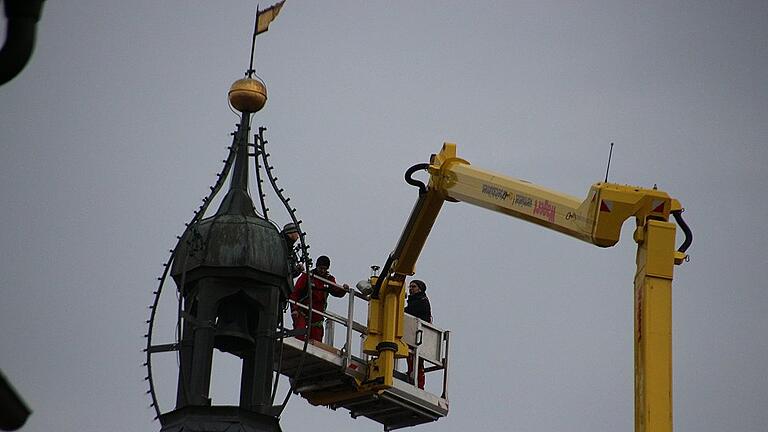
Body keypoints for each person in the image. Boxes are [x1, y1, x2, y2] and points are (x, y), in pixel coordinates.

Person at [289, 255, 348, 342]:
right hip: (303, 312)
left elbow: (336, 291)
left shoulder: (329, 279)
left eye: (325, 269)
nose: (322, 271)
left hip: (317, 318)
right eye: (321, 268)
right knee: (300, 336)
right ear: (317, 266)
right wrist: (294, 309)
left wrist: (343, 290)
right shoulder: (307, 276)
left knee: (316, 343)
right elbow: (295, 293)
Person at [404, 279, 431, 389]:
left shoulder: (421, 301)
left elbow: (409, 311)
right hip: (412, 334)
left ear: (420, 288)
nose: (411, 289)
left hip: (418, 335)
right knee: (411, 358)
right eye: (410, 287)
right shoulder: (416, 300)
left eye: (413, 287)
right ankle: (412, 377)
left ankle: (418, 384)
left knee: (417, 362)